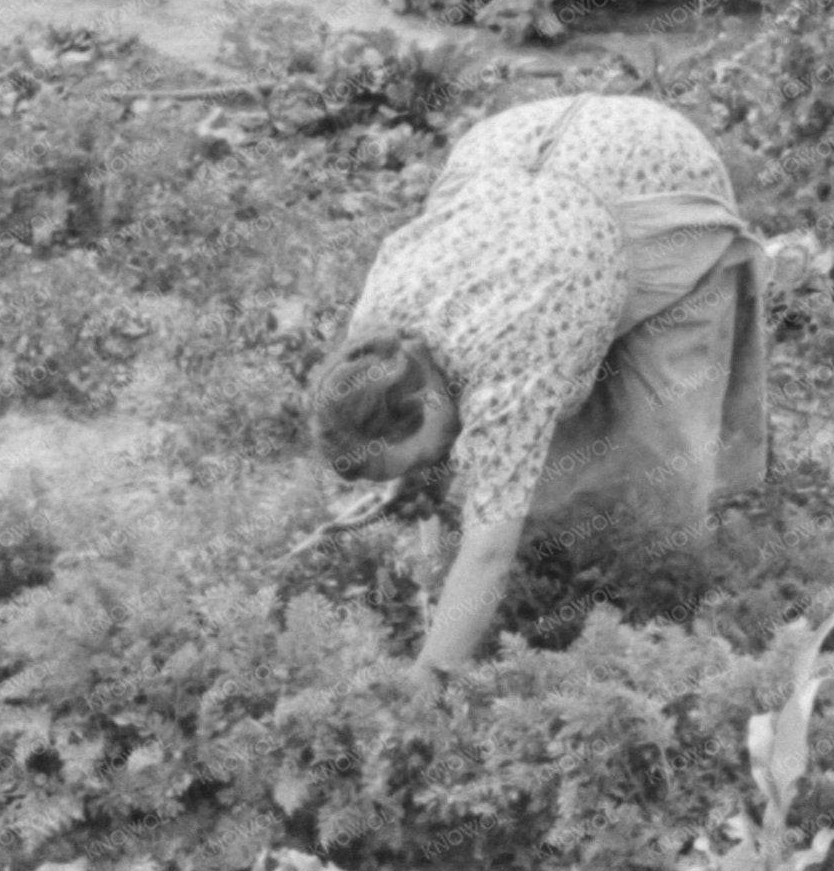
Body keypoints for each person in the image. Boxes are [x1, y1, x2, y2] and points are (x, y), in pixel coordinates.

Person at [308, 91, 769, 678]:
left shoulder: (506, 367)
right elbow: (439, 444)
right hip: (514, 155)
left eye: (421, 452)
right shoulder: (373, 341)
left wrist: (424, 685)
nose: (431, 464)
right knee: (522, 451)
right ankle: (565, 571)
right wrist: (416, 473)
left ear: (427, 398)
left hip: (652, 175)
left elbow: (489, 553)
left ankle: (672, 634)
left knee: (665, 450)